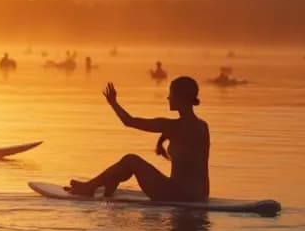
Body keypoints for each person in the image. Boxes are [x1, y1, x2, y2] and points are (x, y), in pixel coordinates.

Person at [68, 79, 209, 202]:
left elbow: (129, 121)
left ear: (180, 97)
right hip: (200, 195)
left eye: (171, 94)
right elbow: (185, 135)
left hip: (178, 195)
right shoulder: (202, 126)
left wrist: (113, 103)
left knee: (131, 160)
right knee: (129, 163)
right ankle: (108, 183)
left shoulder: (171, 126)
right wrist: (161, 141)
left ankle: (89, 187)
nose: (168, 98)